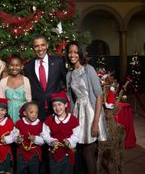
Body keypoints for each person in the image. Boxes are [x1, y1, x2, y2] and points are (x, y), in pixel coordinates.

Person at [65, 40, 107, 174]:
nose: (72, 55)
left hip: (91, 114)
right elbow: (71, 99)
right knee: (82, 153)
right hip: (78, 114)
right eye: (70, 52)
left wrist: (95, 123)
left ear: (80, 53)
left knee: (88, 153)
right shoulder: (69, 74)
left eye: (75, 52)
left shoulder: (89, 69)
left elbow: (99, 95)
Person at [24, 34, 67, 121]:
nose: (40, 49)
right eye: (36, 46)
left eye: (42, 45)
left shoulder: (58, 62)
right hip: (37, 112)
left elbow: (67, 82)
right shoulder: (28, 67)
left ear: (47, 45)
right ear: (33, 48)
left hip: (56, 109)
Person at [42, 91, 80, 174]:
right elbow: (44, 134)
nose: (57, 108)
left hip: (68, 155)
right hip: (53, 154)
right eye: (54, 105)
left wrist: (69, 141)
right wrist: (51, 141)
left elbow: (77, 135)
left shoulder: (73, 120)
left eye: (59, 104)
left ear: (66, 105)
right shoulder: (49, 120)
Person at [0, 53, 32, 123]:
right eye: (12, 65)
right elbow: (1, 100)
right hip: (7, 113)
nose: (14, 68)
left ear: (21, 66)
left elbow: (29, 100)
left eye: (17, 65)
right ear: (9, 66)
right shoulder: (3, 81)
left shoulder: (26, 80)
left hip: (22, 114)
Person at [13, 102, 44, 174]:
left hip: (35, 153)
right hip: (21, 153)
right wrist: (17, 139)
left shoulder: (40, 124)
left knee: (34, 170)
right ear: (25, 113)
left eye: (36, 112)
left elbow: (43, 140)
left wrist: (35, 139)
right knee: (20, 170)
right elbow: (14, 135)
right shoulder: (19, 123)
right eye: (31, 112)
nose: (34, 115)